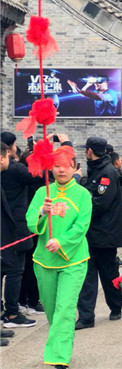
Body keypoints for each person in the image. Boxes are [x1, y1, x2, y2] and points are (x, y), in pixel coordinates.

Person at [25, 146, 92, 368]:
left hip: (73, 259)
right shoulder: (41, 193)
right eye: (56, 166)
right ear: (50, 168)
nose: (61, 170)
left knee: (65, 307)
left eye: (66, 166)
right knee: (53, 309)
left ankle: (59, 357)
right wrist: (42, 212)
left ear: (75, 167)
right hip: (44, 259)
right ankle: (62, 338)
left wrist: (61, 242)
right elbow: (31, 223)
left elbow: (81, 226)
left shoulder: (83, 195)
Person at [75, 137, 122, 330]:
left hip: (105, 234)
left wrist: (79, 210)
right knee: (87, 276)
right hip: (90, 234)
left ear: (89, 151)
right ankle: (86, 316)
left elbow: (100, 203)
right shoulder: (95, 169)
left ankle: (116, 306)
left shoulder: (107, 172)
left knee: (109, 273)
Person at [0, 134, 40, 328]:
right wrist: (40, 153)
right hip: (14, 228)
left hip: (8, 227)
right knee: (16, 270)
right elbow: (39, 175)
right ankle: (12, 314)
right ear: (7, 152)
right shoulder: (16, 170)